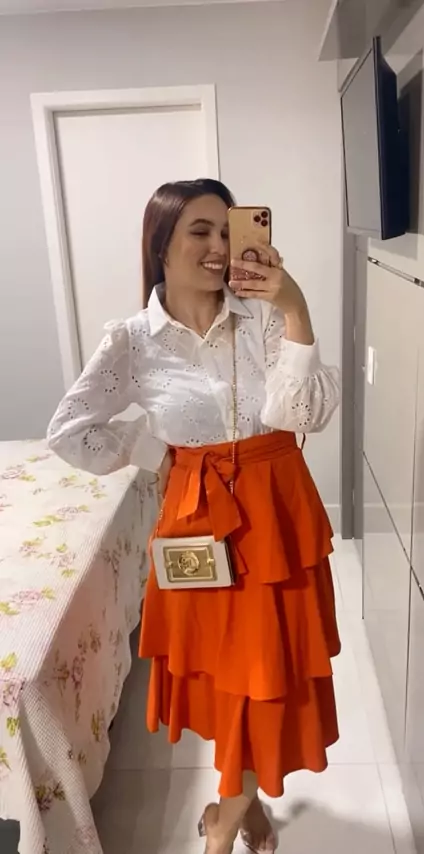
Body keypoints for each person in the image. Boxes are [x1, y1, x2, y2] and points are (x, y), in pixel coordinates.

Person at [47, 178, 341, 854]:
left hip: (278, 521)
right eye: (199, 232)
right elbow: (70, 430)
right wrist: (156, 454)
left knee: (266, 676)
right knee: (230, 680)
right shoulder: (132, 341)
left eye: (226, 232)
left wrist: (294, 306)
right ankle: (242, 812)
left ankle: (223, 825)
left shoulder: (263, 318)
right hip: (195, 521)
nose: (218, 247)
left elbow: (304, 414)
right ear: (161, 245)